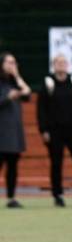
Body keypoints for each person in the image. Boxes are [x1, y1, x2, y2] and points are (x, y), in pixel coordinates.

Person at [36, 54, 72, 207]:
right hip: (55, 131)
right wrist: (44, 130)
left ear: (67, 65)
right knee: (56, 164)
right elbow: (41, 109)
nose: (61, 65)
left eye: (63, 62)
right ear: (53, 65)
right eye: (58, 62)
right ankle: (58, 195)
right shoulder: (48, 83)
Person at [0, 52, 31, 208]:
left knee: (12, 166)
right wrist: (7, 98)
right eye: (9, 62)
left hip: (13, 132)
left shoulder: (14, 82)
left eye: (14, 62)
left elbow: (27, 93)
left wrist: (17, 76)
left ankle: (11, 197)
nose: (12, 65)